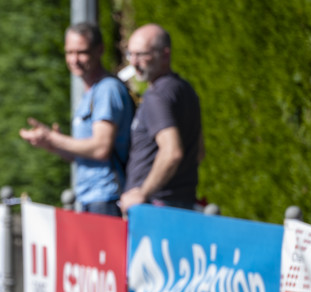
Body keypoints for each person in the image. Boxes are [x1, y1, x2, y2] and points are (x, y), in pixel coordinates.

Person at [19, 22, 134, 216]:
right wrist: (51, 144)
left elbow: (100, 148)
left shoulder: (107, 90)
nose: (74, 59)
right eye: (69, 52)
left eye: (82, 52)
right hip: (89, 196)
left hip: (107, 196)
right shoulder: (89, 93)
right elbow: (82, 152)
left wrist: (54, 138)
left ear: (100, 51)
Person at [119, 23, 204, 213]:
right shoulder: (186, 90)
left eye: (141, 55)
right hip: (181, 203)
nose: (134, 62)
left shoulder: (157, 96)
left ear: (165, 55)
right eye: (130, 54)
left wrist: (142, 192)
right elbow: (199, 153)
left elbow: (172, 151)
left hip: (155, 208)